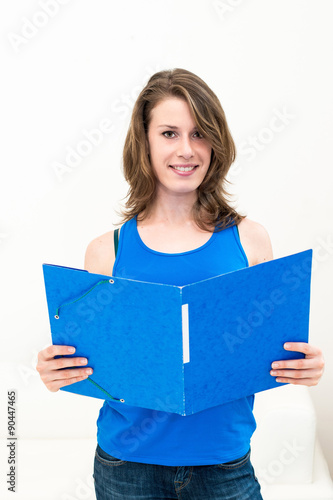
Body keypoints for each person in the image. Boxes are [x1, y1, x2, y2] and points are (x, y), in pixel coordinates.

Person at [36, 68, 325, 500]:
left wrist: (306, 365)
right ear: (145, 143)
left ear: (216, 143)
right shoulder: (105, 251)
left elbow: (266, 346)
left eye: (199, 133)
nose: (186, 149)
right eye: (169, 133)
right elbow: (95, 361)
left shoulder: (250, 240)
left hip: (224, 465)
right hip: (125, 469)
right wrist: (54, 369)